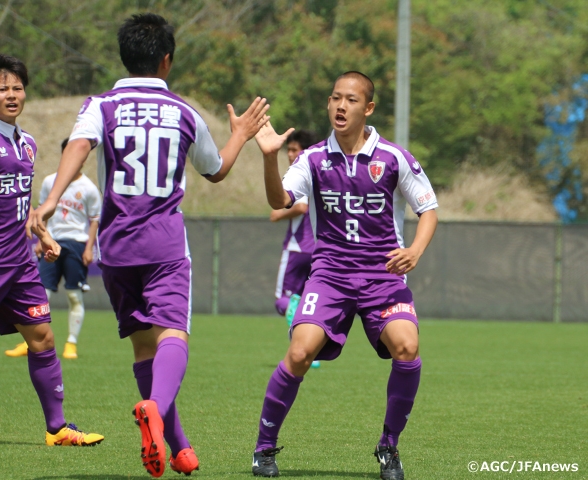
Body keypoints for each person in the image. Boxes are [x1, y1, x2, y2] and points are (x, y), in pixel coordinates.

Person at [30, 14, 270, 478]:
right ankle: (155, 411)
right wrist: (239, 134)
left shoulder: (100, 106)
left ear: (125, 56)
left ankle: (179, 446)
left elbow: (78, 148)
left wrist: (51, 200)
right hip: (164, 245)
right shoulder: (183, 112)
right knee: (174, 337)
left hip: (116, 249)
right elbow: (216, 169)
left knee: (144, 348)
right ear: (166, 60)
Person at [251, 71, 438, 479]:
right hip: (330, 275)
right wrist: (268, 156)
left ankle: (389, 445)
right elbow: (279, 200)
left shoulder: (392, 157)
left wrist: (415, 251)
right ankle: (264, 449)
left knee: (407, 348)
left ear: (367, 108)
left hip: (382, 277)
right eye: (335, 98)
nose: (340, 106)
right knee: (300, 353)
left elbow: (428, 209)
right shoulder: (314, 159)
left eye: (351, 100)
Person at [0, 54, 104, 447]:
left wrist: (43, 233)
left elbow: (23, 205)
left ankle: (58, 429)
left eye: (17, 87)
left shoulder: (28, 143)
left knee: (43, 339)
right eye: (2, 88)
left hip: (21, 262)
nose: (12, 94)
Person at [5, 137, 102, 360]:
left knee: (74, 296)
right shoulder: (50, 182)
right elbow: (42, 213)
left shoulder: (88, 188)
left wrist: (89, 248)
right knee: (40, 294)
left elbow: (94, 220)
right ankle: (29, 342)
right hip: (52, 242)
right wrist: (41, 238)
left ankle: (71, 343)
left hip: (76, 245)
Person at [270, 130, 320, 368]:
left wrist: (279, 212)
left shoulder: (300, 172)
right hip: (320, 250)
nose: (290, 154)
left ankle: (293, 310)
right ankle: (312, 353)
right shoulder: (323, 170)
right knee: (311, 302)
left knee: (283, 301)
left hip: (297, 247)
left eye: (294, 149)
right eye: (288, 150)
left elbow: (300, 207)